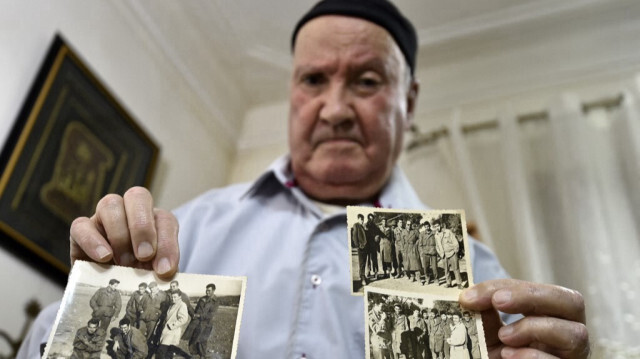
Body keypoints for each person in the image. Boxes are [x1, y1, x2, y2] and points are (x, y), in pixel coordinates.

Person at [18, 1, 590, 358]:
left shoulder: (479, 285)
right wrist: (91, 309)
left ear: (408, 102)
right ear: (291, 91)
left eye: (367, 81)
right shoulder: (185, 230)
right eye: (314, 79)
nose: (335, 108)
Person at [183, 283, 219, 359]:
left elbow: (211, 315)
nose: (207, 292)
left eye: (209, 290)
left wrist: (199, 316)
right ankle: (193, 354)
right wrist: (193, 313)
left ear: (213, 291)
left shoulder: (215, 301)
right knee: (192, 339)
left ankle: (202, 356)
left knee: (202, 341)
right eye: (206, 290)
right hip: (196, 323)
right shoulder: (202, 299)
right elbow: (196, 310)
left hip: (206, 324)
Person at [156, 291, 189, 359]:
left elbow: (183, 319)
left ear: (180, 297)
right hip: (167, 330)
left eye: (175, 297)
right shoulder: (172, 304)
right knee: (169, 351)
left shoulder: (182, 305)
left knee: (161, 350)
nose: (173, 298)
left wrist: (172, 325)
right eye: (172, 297)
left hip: (172, 331)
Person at [434, 221, 463, 289]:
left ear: (440, 225)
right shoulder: (436, 235)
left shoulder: (448, 232)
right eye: (435, 227)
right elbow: (437, 246)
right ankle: (448, 283)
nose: (437, 228)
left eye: (438, 226)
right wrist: (440, 253)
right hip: (443, 255)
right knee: (446, 270)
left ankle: (459, 284)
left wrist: (456, 251)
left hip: (452, 253)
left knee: (456, 268)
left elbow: (454, 241)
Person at [417, 221, 438, 286]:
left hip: (433, 252)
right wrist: (422, 252)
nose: (427, 228)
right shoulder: (422, 234)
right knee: (426, 267)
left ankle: (436, 279)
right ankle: (427, 278)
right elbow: (420, 244)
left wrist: (437, 251)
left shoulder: (434, 233)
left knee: (434, 267)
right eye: (425, 227)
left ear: (429, 226)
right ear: (424, 227)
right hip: (425, 253)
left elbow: (437, 242)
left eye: (428, 226)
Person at [352, 213, 369, 286]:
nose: (362, 221)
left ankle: (362, 276)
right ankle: (362, 279)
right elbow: (354, 236)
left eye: (363, 219)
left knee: (364, 263)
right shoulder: (356, 225)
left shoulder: (363, 226)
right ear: (358, 219)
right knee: (361, 263)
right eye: (361, 219)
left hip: (365, 247)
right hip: (361, 247)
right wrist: (358, 246)